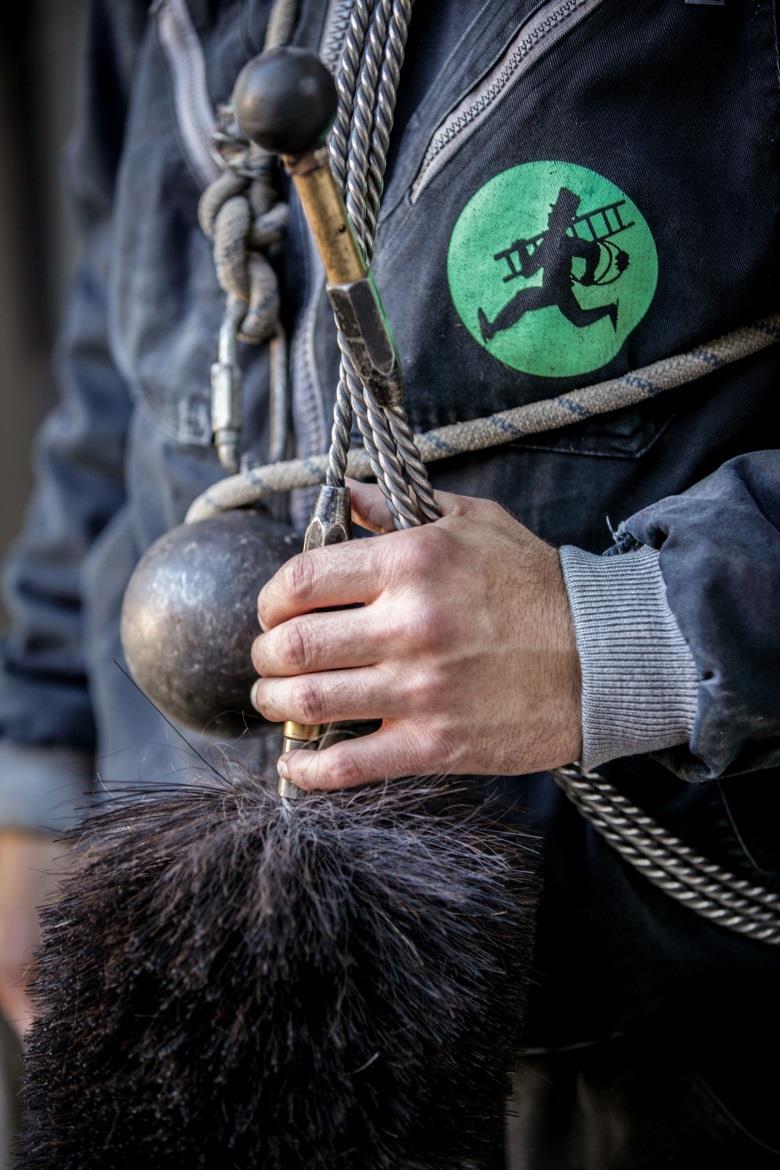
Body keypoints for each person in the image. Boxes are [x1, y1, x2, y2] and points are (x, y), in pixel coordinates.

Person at [1, 1, 779, 1166]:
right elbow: (111, 391)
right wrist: (32, 778)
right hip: (230, 1005)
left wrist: (631, 631)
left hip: (690, 1051)